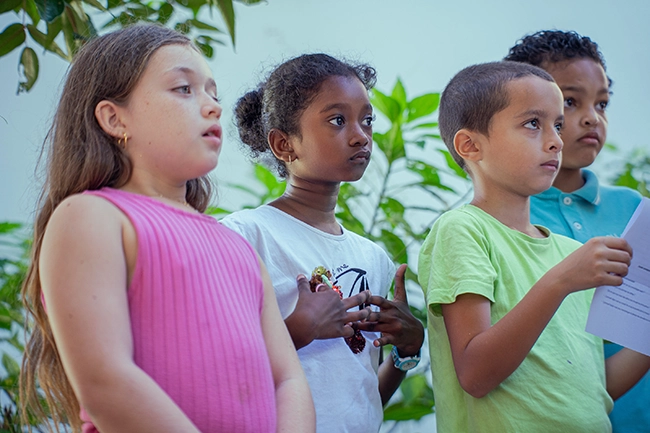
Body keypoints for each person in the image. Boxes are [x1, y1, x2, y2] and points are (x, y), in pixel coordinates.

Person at [19, 24, 315, 433]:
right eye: (183, 89)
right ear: (114, 117)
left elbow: (288, 379)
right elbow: (108, 381)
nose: (212, 106)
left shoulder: (237, 246)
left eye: (213, 93)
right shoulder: (91, 217)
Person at [418, 60, 650, 432]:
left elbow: (595, 389)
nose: (556, 139)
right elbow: (476, 374)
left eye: (557, 125)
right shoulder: (463, 230)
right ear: (470, 145)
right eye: (532, 124)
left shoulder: (567, 253)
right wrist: (560, 282)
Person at [220, 53, 425, 433]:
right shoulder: (244, 236)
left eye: (367, 119)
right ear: (284, 145)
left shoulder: (372, 257)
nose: (361, 135)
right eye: (337, 120)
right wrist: (299, 328)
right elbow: (215, 368)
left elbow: (361, 400)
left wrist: (406, 350)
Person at [505, 30, 648, 433]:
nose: (592, 117)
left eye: (602, 103)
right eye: (571, 101)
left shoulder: (633, 208)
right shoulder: (504, 216)